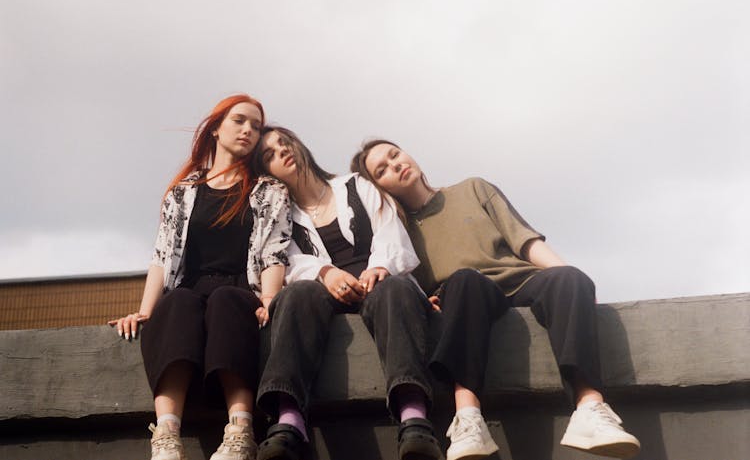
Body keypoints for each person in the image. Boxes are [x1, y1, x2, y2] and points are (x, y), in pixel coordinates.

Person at [351, 140, 641, 460]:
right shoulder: (395, 232)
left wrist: (572, 279)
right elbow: (404, 282)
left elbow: (524, 240)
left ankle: (590, 408)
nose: (395, 165)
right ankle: (468, 419)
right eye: (383, 170)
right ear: (378, 188)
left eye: (395, 155)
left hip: (522, 282)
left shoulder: (473, 188)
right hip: (467, 296)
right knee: (464, 279)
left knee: (570, 277)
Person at [108, 94, 291, 460]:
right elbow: (161, 257)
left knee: (225, 300)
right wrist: (144, 311)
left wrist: (270, 298)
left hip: (239, 291)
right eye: (239, 121)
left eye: (256, 126)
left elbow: (275, 251)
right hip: (189, 292)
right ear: (216, 128)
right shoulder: (183, 193)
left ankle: (240, 431)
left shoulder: (269, 191)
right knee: (177, 304)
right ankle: (165, 435)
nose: (248, 131)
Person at [252, 127, 444, 460]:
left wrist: (378, 267)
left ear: (300, 146)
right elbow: (284, 261)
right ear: (266, 171)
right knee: (296, 295)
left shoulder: (356, 185)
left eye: (285, 143)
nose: (282, 151)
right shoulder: (282, 214)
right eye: (270, 154)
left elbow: (390, 230)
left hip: (379, 284)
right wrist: (324, 272)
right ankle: (288, 422)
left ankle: (414, 419)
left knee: (393, 287)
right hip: (320, 294)